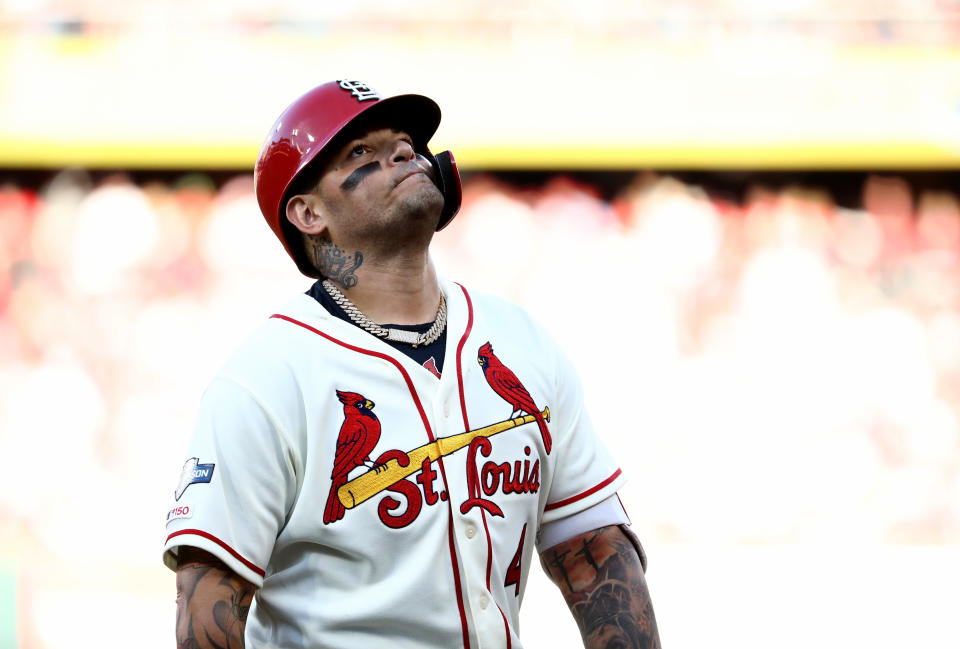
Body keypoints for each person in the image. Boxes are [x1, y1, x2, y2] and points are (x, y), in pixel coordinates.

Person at [163, 79, 660, 649]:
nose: (401, 153)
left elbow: (595, 547)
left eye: (405, 143)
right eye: (360, 153)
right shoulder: (267, 377)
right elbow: (207, 609)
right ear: (307, 211)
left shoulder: (522, 342)